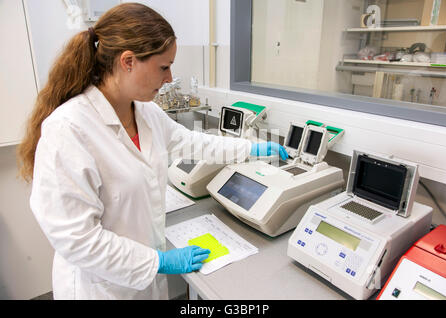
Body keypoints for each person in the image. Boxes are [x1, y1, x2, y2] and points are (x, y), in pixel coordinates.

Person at [17, 3, 287, 300]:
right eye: (164, 67)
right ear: (128, 61)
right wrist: (158, 261)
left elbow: (195, 143)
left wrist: (253, 147)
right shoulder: (68, 130)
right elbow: (78, 240)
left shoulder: (146, 113)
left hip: (144, 284)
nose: (170, 77)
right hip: (101, 288)